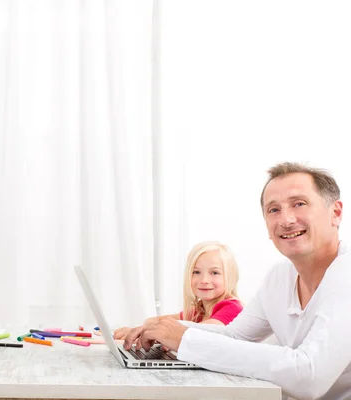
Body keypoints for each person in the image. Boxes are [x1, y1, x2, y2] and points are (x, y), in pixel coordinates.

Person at [123, 162, 351, 400]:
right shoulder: (279, 276)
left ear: (335, 213)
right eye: (273, 210)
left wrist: (184, 338)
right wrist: (164, 330)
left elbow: (309, 377)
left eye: (299, 204)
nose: (286, 219)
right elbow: (235, 335)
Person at [114, 241, 243, 340]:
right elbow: (155, 321)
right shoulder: (199, 311)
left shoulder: (231, 307)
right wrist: (139, 329)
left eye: (214, 272)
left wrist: (148, 330)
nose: (204, 280)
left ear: (231, 277)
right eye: (196, 272)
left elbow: (206, 330)